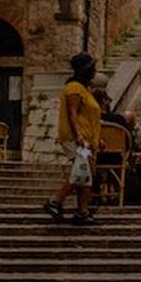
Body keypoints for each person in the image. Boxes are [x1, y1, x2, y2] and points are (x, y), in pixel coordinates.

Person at [45, 52, 103, 226]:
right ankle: (55, 201)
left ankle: (82, 212)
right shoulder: (74, 88)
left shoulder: (85, 89)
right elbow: (73, 113)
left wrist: (97, 139)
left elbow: (90, 117)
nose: (95, 71)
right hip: (75, 138)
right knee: (82, 172)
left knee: (87, 173)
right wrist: (78, 135)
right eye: (93, 67)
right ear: (85, 69)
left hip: (86, 139)